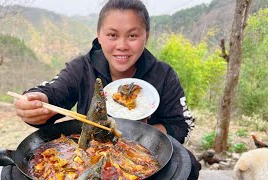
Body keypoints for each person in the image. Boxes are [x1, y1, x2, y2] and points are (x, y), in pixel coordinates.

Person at [14, 0, 201, 179]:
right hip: (85, 157)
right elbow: (51, 94)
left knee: (190, 163)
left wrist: (143, 138)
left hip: (139, 156)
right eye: (112, 35)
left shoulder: (163, 74)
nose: (122, 46)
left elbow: (181, 125)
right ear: (99, 35)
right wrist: (35, 103)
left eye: (133, 35)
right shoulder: (81, 68)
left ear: (147, 36)